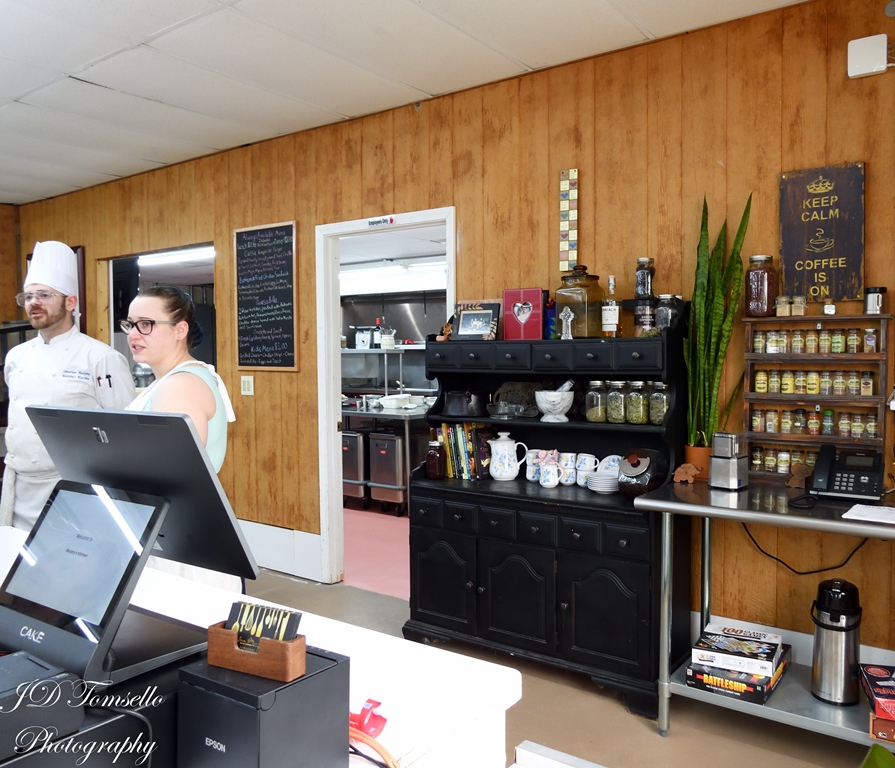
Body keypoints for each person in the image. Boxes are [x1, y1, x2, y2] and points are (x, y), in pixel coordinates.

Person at [1, 241, 136, 531]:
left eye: (44, 295)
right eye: (28, 296)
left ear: (70, 302)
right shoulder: (16, 357)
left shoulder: (100, 358)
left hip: (73, 488)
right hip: (20, 485)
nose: (34, 302)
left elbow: (125, 429)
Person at [123, 285, 240, 590]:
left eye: (146, 324)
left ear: (180, 330)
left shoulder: (180, 385)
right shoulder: (176, 379)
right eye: (130, 324)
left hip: (184, 541)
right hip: (175, 531)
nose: (134, 334)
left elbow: (172, 473)